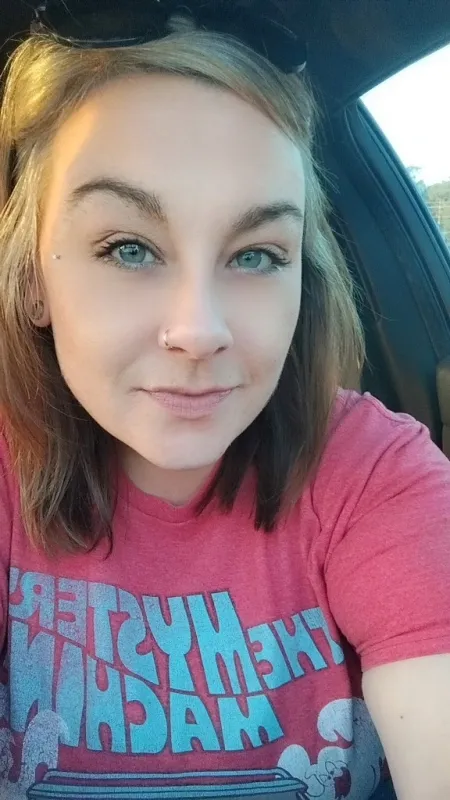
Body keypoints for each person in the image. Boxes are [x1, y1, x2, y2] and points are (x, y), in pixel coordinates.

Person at [0, 2, 449, 798]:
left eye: (256, 255)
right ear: (34, 279)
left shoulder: (377, 473)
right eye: (128, 248)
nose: (199, 331)